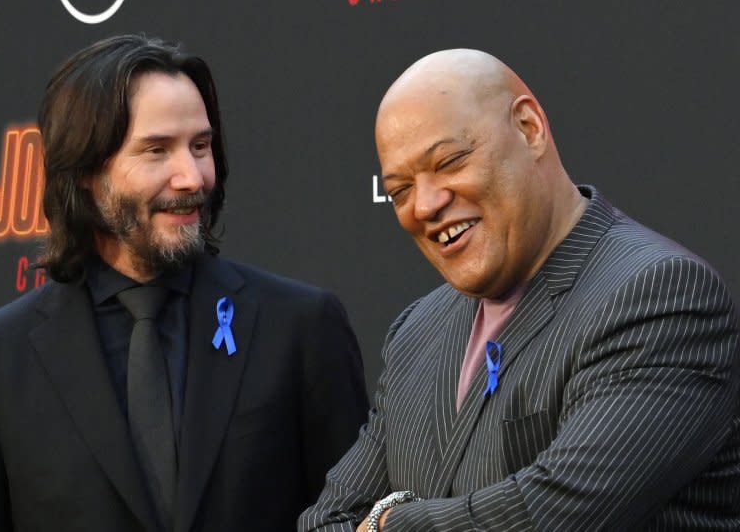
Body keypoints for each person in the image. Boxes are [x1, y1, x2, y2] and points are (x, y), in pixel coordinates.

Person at [0, 35, 368, 532]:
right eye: (156, 150)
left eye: (201, 146)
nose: (191, 177)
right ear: (85, 170)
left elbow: (351, 519)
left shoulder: (299, 327)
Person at [300, 49, 740, 531]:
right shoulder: (416, 333)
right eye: (401, 190)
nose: (424, 205)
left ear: (529, 128)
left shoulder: (660, 295)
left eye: (449, 161)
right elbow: (326, 521)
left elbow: (555, 513)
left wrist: (386, 521)